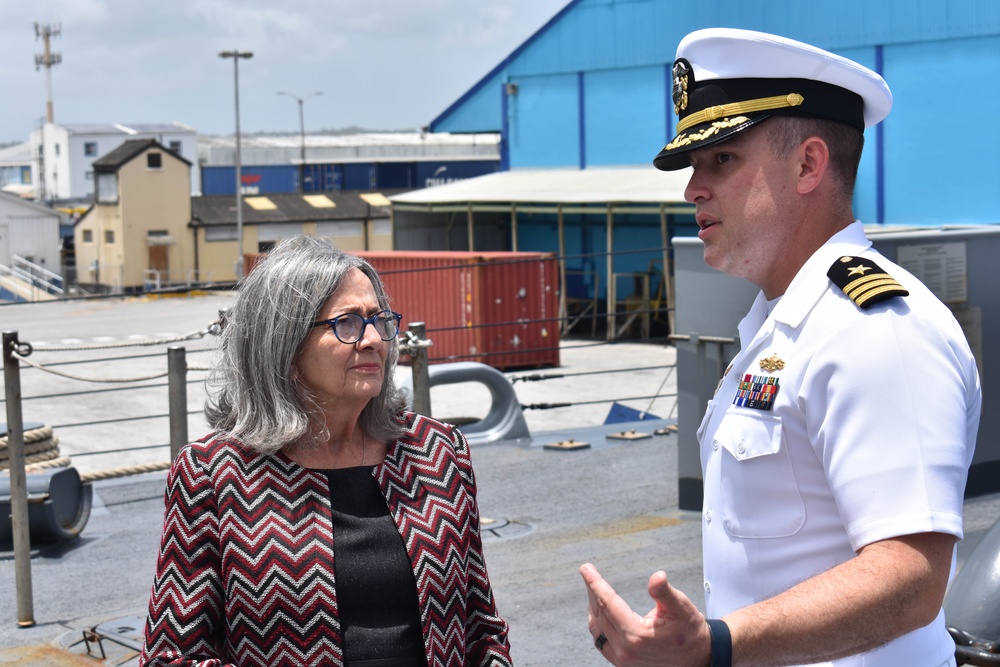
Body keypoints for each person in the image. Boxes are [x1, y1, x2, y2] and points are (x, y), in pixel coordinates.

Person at [580, 27, 981, 667]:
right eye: (694, 166)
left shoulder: (876, 329)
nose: (692, 189)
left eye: (723, 160)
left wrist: (715, 646)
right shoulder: (783, 325)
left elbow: (911, 577)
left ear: (808, 165)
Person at [139, 235, 513, 667]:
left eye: (378, 319)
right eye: (348, 323)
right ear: (285, 345)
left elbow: (482, 629)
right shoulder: (213, 474)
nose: (373, 338)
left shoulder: (437, 452)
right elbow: (172, 655)